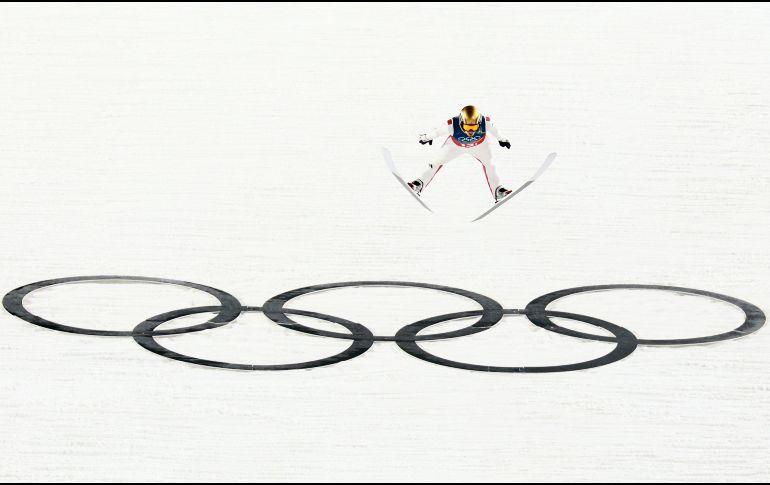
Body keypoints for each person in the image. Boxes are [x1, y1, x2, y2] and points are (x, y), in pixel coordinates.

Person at [408, 105, 513, 202]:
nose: (471, 131)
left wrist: (502, 139)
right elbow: (437, 131)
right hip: (455, 146)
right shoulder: (452, 124)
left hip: (480, 146)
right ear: (461, 122)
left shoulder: (485, 122)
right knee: (435, 162)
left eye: (475, 127)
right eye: (467, 127)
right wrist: (427, 137)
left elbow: (495, 130)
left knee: (491, 165)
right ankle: (418, 184)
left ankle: (498, 191)